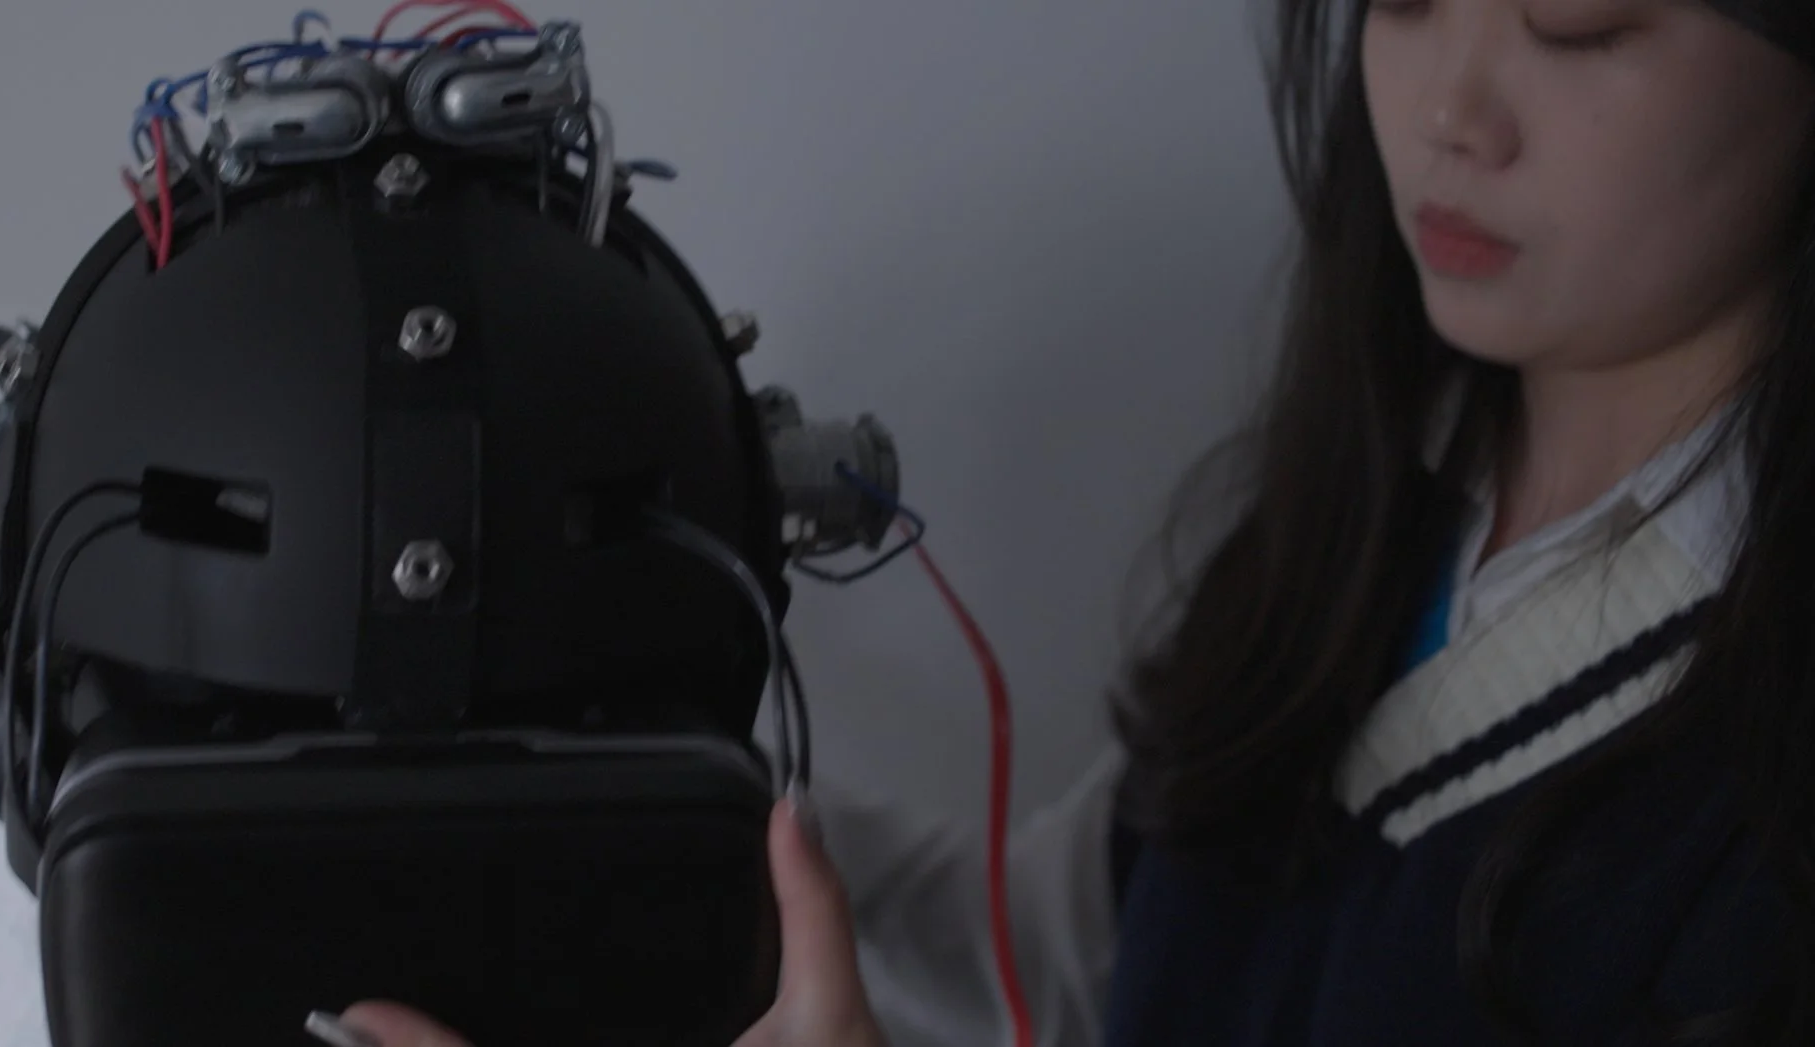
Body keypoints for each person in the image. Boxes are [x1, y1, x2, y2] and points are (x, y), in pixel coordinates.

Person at [325, 0, 1815, 1042]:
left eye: (1581, 27)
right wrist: (624, 803)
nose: (1446, 114)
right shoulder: (1370, 523)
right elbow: (1065, 962)